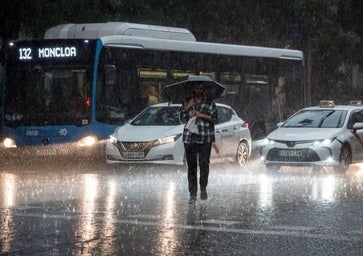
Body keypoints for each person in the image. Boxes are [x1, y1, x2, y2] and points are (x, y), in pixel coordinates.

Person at [179, 82, 219, 203]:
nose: (199, 90)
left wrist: (201, 115)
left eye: (201, 88)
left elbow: (215, 119)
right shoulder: (187, 101)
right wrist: (188, 107)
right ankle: (192, 194)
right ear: (193, 88)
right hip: (189, 138)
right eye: (197, 87)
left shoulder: (209, 103)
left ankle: (203, 188)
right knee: (191, 167)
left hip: (204, 138)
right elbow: (181, 119)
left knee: (204, 165)